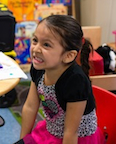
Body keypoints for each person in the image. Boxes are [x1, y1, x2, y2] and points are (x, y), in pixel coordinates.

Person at [16, 15, 105, 144]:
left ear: (68, 56)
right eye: (35, 40)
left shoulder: (75, 81)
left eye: (46, 45)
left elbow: (71, 132)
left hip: (76, 139)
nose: (35, 49)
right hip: (51, 132)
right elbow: (30, 107)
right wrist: (23, 140)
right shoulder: (39, 67)